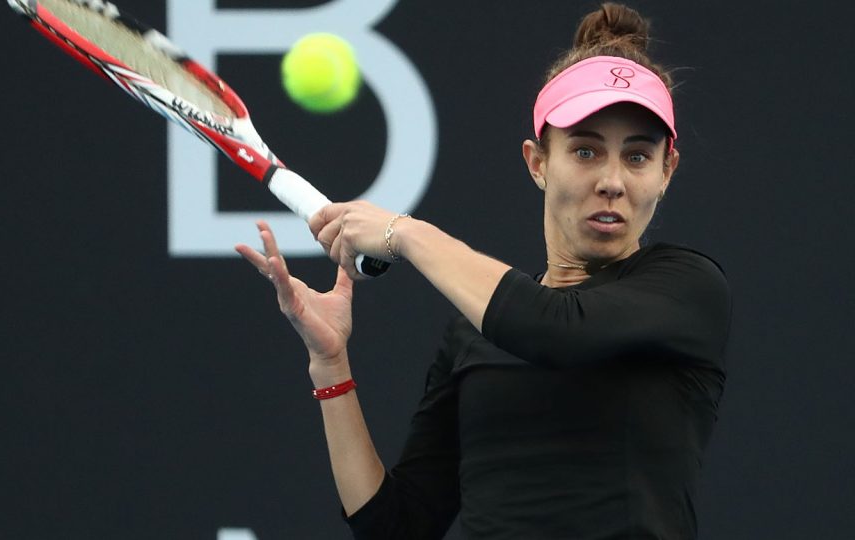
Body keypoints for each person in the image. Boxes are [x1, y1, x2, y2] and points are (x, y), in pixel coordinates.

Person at [236, 3, 732, 538]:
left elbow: (553, 329)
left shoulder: (688, 289)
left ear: (666, 171)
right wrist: (331, 367)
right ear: (537, 162)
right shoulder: (474, 333)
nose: (612, 180)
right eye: (586, 151)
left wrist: (405, 231)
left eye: (637, 157)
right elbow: (396, 528)